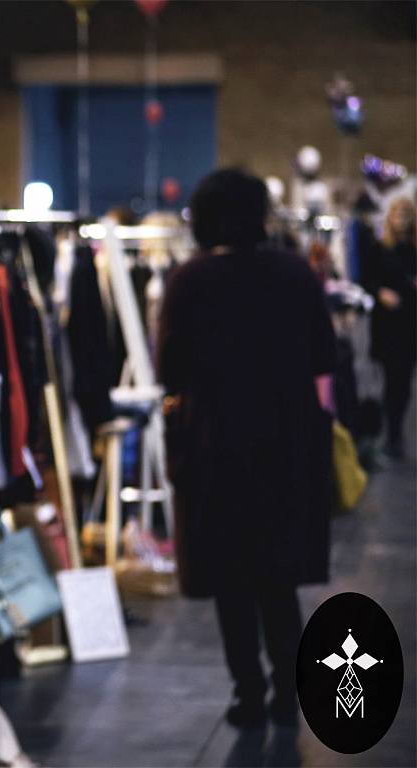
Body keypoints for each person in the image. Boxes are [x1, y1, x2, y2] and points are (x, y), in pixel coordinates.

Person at [157, 169, 337, 730]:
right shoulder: (293, 272)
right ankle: (288, 692)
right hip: (285, 444)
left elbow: (170, 369)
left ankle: (249, 695)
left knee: (231, 582)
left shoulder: (189, 281)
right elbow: (325, 354)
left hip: (217, 449)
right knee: (278, 580)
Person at [365, 197, 417, 459]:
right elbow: (367, 280)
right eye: (397, 215)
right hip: (387, 324)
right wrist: (381, 292)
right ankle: (392, 431)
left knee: (404, 382)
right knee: (390, 379)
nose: (401, 220)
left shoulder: (413, 249)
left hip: (410, 322)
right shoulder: (380, 248)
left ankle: (396, 429)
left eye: (405, 215)